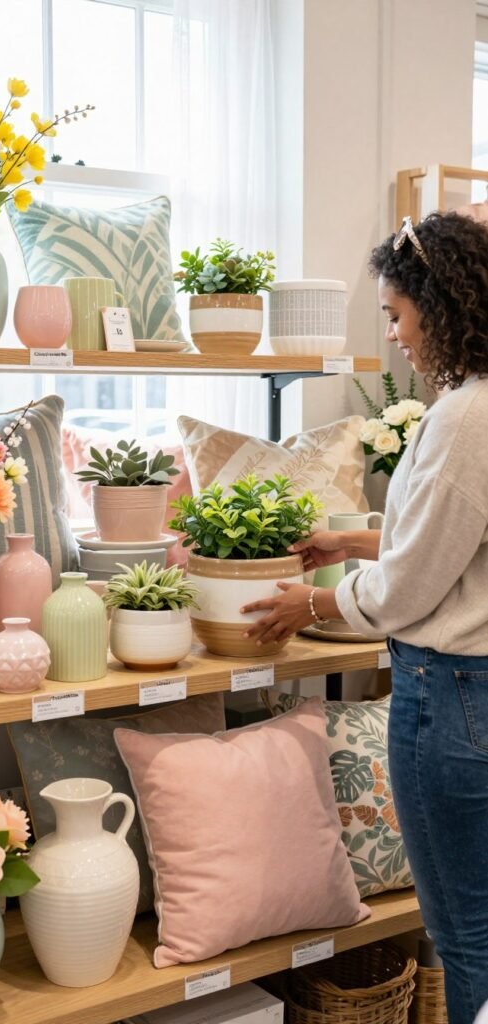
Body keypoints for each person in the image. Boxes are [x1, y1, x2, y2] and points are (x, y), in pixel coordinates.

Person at [241, 210, 488, 1024]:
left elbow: (410, 587)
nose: (391, 336)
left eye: (394, 314)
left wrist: (312, 603)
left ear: (441, 306)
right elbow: (452, 536)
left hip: (446, 697)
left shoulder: (462, 416)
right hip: (472, 695)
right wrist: (353, 535)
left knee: (464, 935)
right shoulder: (475, 404)